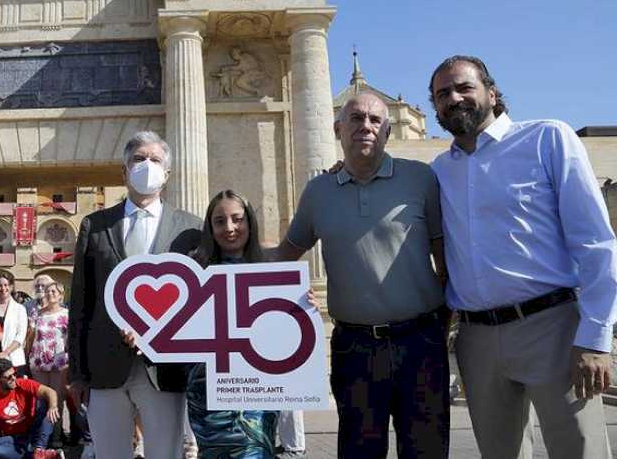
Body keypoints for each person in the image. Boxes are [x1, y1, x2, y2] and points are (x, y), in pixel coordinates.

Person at [428, 55, 617, 458]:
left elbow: (596, 242)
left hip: (553, 328)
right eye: (442, 94)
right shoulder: (439, 171)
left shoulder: (547, 139)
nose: (454, 98)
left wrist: (596, 339)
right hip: (476, 339)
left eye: (464, 87)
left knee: (578, 450)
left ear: (492, 93)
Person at [271, 92, 449, 458]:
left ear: (387, 131)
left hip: (421, 344)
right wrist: (222, 259)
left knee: (427, 450)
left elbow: (444, 257)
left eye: (375, 120)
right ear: (338, 129)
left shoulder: (422, 179)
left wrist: (444, 322)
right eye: (355, 119)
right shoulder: (318, 191)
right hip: (355, 348)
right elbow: (286, 254)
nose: (365, 126)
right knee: (358, 451)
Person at [68, 130, 202, 459]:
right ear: (124, 171)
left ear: (167, 174)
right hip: (105, 366)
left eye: (155, 160)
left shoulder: (191, 229)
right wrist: (77, 373)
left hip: (165, 369)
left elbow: (203, 300)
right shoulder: (95, 225)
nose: (147, 165)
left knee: (164, 454)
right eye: (138, 159)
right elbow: (81, 303)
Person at [186, 190, 279, 458]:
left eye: (237, 219)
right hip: (208, 391)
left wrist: (301, 304)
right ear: (209, 227)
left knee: (255, 452)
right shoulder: (195, 270)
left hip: (258, 388)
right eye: (219, 221)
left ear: (249, 221)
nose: (229, 228)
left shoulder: (271, 266)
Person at [0, 357, 63, 459]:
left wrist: (53, 407)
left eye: (14, 374)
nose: (14, 378)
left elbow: (50, 392)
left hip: (34, 430)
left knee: (46, 402)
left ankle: (39, 449)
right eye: (9, 377)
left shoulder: (23, 384)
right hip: (15, 438)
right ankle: (39, 454)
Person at [28, 281, 70, 446]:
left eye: (54, 291)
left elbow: (71, 340)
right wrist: (26, 357)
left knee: (57, 401)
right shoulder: (36, 314)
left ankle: (56, 437)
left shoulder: (67, 314)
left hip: (59, 363)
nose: (50, 293)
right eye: (48, 291)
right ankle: (41, 438)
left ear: (60, 295)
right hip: (39, 361)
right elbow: (30, 338)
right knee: (41, 402)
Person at [0, 274, 30, 376]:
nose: (3, 288)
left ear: (11, 287)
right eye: (0, 285)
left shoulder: (20, 309)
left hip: (14, 357)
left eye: (6, 285)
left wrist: (6, 352)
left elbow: (21, 336)